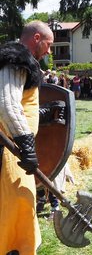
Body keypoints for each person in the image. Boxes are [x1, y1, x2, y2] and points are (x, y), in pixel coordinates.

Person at [0, 20, 54, 254]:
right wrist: (26, 144)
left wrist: (44, 114)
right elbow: (7, 104)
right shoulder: (16, 58)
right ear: (36, 39)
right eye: (48, 45)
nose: (49, 51)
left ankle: (18, 246)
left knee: (22, 202)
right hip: (7, 151)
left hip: (14, 148)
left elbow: (21, 104)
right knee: (12, 203)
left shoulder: (24, 62)